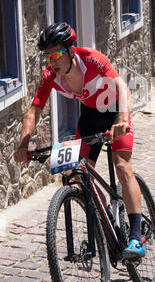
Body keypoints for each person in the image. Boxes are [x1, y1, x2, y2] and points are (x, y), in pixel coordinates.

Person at [13, 22, 145, 259]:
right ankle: (110, 227)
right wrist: (24, 144)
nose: (52, 61)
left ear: (71, 50)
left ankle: (136, 237)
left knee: (122, 166)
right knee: (78, 175)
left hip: (114, 111)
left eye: (56, 54)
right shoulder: (50, 77)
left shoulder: (92, 59)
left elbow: (122, 88)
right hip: (90, 118)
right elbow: (34, 111)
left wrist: (122, 120)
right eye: (47, 56)